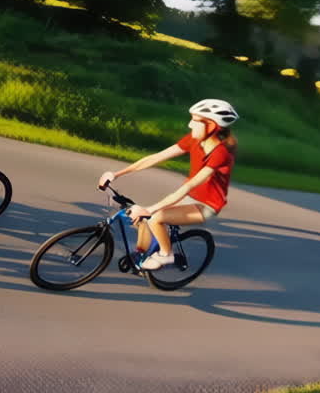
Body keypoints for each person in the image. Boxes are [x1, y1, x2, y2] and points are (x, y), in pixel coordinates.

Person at [97, 99, 238, 270]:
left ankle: (166, 254)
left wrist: (151, 209)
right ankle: (142, 254)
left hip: (206, 205)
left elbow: (189, 186)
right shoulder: (194, 141)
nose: (190, 124)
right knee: (141, 218)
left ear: (212, 126)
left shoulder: (220, 154)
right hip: (189, 197)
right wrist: (117, 174)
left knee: (156, 217)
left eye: (195, 120)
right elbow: (156, 157)